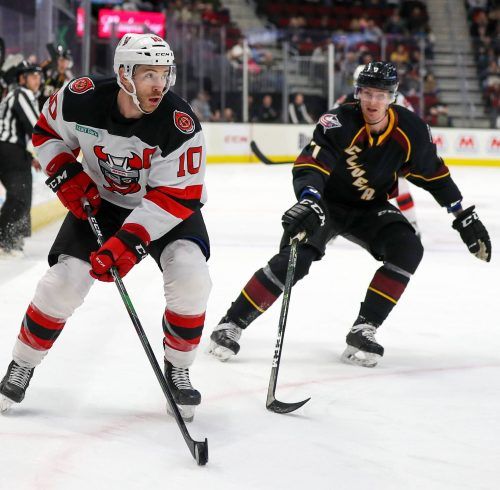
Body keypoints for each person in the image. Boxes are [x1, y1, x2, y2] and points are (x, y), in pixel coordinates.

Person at [207, 62, 491, 368]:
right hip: (327, 204)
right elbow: (311, 166)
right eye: (367, 93)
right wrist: (310, 200)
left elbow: (434, 174)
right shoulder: (338, 122)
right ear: (357, 93)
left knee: (408, 248)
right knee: (296, 258)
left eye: (380, 95)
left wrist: (463, 215)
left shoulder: (412, 130)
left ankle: (363, 328)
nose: (372, 101)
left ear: (392, 97)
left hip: (370, 206)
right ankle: (231, 323)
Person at [0, 34, 211, 422]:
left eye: (164, 74)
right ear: (124, 74)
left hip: (164, 210)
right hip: (102, 202)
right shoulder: (81, 97)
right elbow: (47, 133)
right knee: (63, 282)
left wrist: (128, 242)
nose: (159, 85)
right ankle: (22, 363)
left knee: (191, 276)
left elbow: (177, 197)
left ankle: (178, 368)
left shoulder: (179, 124)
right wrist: (66, 174)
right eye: (149, 74)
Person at [334, 64, 421, 235]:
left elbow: (411, 122)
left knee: (400, 186)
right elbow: (331, 123)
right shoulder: (347, 99)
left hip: (388, 150)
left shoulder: (394, 97)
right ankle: (335, 224)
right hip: (359, 151)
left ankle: (412, 224)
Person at [0, 61, 42, 255]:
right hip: (8, 149)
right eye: (32, 76)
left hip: (12, 149)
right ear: (22, 79)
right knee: (20, 195)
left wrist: (32, 155)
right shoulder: (21, 94)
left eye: (38, 76)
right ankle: (5, 239)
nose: (37, 80)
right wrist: (43, 154)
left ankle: (12, 237)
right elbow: (36, 128)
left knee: (20, 194)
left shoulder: (20, 94)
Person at [39, 45, 73, 110]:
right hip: (43, 106)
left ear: (69, 63)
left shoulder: (69, 78)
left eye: (64, 61)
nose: (62, 63)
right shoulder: (51, 73)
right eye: (60, 60)